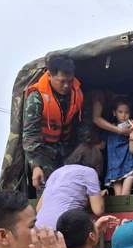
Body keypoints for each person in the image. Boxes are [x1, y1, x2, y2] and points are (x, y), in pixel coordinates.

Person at [23, 54, 92, 192]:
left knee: (71, 189)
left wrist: (83, 153)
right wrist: (36, 166)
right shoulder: (36, 98)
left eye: (70, 81)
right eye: (61, 81)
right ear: (49, 76)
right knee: (47, 191)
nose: (66, 85)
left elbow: (84, 125)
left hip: (68, 150)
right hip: (44, 152)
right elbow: (30, 134)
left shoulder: (77, 94)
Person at [35, 143, 105, 228]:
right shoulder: (89, 172)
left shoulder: (56, 172)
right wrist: (99, 196)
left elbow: (39, 208)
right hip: (62, 226)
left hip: (39, 228)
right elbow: (98, 210)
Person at [104, 98, 133, 195]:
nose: (123, 115)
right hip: (114, 165)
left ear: (130, 113)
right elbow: (102, 144)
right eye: (120, 112)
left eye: (126, 112)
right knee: (118, 196)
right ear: (114, 113)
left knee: (125, 194)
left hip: (129, 161)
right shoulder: (110, 128)